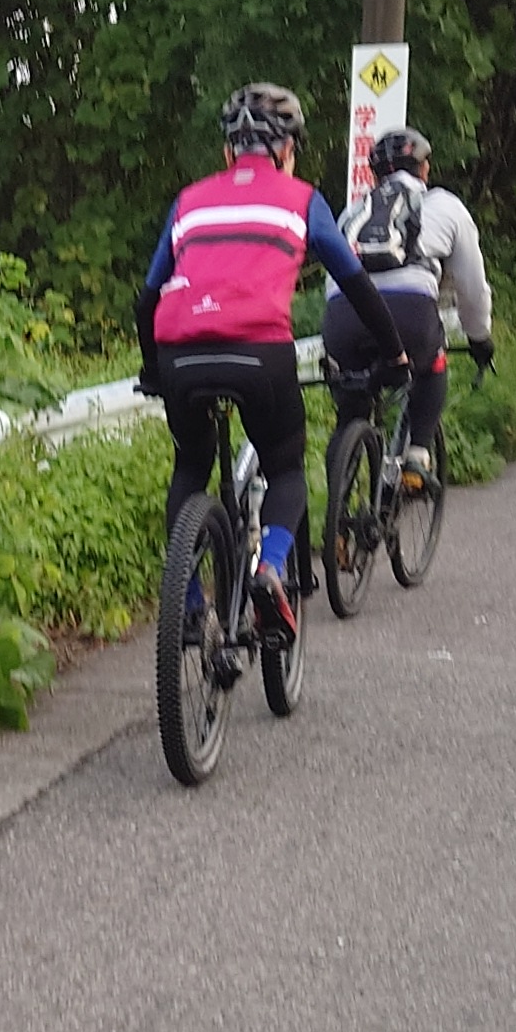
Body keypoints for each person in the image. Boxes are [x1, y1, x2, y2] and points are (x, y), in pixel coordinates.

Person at [137, 82, 405, 629]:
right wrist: (395, 353)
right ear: (286, 150)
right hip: (259, 350)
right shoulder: (302, 199)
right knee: (285, 468)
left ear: (228, 151)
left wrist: (151, 368)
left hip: (179, 353)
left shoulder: (188, 201)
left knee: (190, 466)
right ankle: (272, 568)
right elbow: (355, 283)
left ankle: (186, 605)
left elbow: (147, 298)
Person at [331, 127, 495, 486]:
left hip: (344, 317)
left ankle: (337, 504)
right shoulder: (445, 205)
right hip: (410, 315)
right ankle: (417, 455)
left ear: (375, 175)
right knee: (433, 362)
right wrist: (479, 337)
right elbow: (472, 288)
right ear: (424, 169)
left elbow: (333, 278)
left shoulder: (352, 213)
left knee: (350, 410)